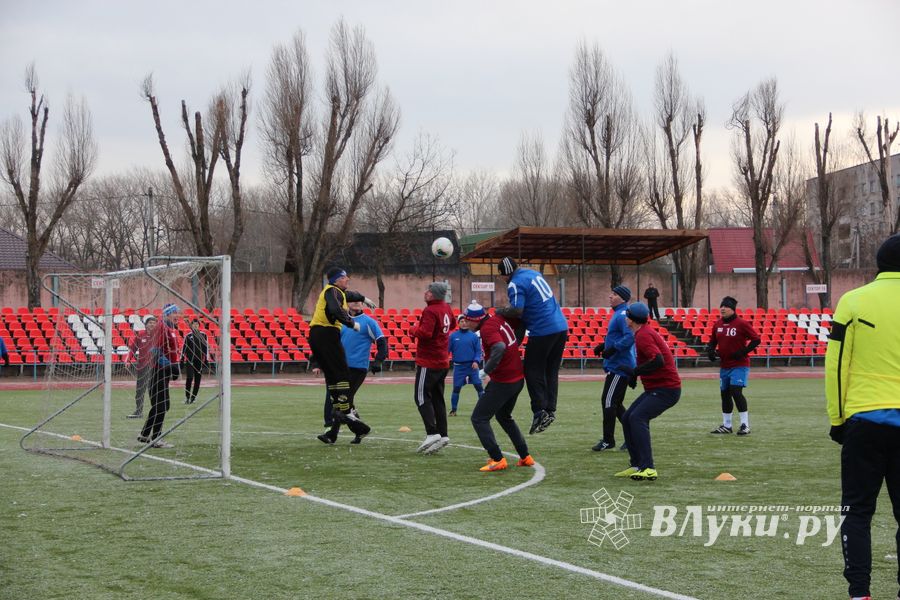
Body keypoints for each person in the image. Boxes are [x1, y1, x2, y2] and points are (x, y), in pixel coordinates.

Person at [826, 233, 900, 600]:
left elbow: (837, 366)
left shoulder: (853, 301)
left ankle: (860, 593)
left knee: (857, 513)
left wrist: (837, 419)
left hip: (865, 421)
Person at [497, 257, 569, 435]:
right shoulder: (532, 273)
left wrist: (500, 311)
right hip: (561, 327)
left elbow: (517, 310)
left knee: (532, 370)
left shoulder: (515, 283)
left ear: (504, 274)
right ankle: (550, 409)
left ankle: (539, 410)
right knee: (551, 371)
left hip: (543, 329)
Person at [462, 302, 535, 472]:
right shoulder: (498, 319)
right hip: (517, 377)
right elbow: (520, 323)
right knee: (504, 416)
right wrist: (514, 346)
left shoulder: (487, 328)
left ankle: (497, 458)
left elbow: (500, 346)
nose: (465, 323)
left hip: (504, 381)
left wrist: (485, 370)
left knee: (479, 418)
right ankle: (525, 456)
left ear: (475, 320)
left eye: (467, 320)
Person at [614, 302, 681, 481]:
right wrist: (635, 376)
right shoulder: (643, 333)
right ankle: (636, 464)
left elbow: (658, 360)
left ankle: (648, 467)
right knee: (628, 417)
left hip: (666, 389)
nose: (625, 318)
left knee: (637, 418)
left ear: (632, 319)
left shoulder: (643, 335)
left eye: (627, 315)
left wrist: (635, 372)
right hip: (657, 388)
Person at [310, 267, 376, 445]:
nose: (348, 279)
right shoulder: (333, 291)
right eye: (345, 277)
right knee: (342, 375)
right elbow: (335, 309)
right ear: (337, 279)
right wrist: (350, 322)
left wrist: (363, 298)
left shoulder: (336, 292)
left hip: (318, 335)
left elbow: (350, 295)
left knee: (333, 379)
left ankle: (339, 422)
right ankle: (346, 411)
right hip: (327, 333)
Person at [317, 300, 388, 444]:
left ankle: (334, 434)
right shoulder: (340, 321)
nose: (356, 304)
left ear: (363, 305)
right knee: (343, 403)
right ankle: (358, 430)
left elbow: (382, 342)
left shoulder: (369, 322)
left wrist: (378, 361)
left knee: (341, 402)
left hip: (357, 368)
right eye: (353, 301)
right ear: (347, 303)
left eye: (359, 302)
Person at [706, 296, 761, 435]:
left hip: (739, 365)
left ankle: (745, 425)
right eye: (721, 306)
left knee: (736, 391)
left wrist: (743, 352)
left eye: (726, 307)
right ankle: (727, 425)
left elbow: (756, 339)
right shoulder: (717, 324)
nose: (722, 309)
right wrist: (710, 351)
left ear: (732, 309)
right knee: (724, 394)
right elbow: (712, 341)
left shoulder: (741, 323)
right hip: (724, 366)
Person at [412, 281, 456, 454]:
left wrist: (413, 329)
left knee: (421, 397)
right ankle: (443, 434)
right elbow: (452, 325)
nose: (425, 293)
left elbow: (425, 333)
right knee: (438, 399)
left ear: (434, 294)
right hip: (442, 361)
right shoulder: (446, 307)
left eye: (428, 291)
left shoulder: (430, 310)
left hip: (428, 361)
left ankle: (432, 432)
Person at [592, 285, 636, 452]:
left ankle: (608, 440)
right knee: (615, 403)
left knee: (609, 401)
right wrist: (603, 345)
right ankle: (632, 436)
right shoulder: (619, 314)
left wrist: (613, 349)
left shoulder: (623, 314)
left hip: (619, 367)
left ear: (623, 299)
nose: (610, 296)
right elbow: (618, 336)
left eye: (615, 294)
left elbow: (630, 337)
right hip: (618, 365)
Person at [138, 304, 181, 448]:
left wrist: (173, 367)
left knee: (161, 405)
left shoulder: (169, 328)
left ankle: (145, 434)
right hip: (158, 372)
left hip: (164, 372)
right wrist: (169, 365)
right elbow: (154, 350)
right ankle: (156, 439)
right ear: (167, 314)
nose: (178, 315)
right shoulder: (162, 327)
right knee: (162, 406)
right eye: (175, 312)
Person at [448, 307, 484, 416]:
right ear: (458, 323)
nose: (464, 323)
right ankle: (454, 410)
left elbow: (478, 351)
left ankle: (483, 409)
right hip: (459, 367)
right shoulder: (453, 336)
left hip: (472, 366)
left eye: (465, 321)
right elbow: (446, 350)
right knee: (456, 388)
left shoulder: (473, 336)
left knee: (479, 386)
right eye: (461, 321)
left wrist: (476, 362)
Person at [126, 316, 157, 418]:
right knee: (140, 390)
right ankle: (139, 411)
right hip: (142, 367)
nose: (152, 324)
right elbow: (132, 349)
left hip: (155, 367)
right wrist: (128, 360)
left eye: (154, 323)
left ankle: (156, 411)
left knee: (153, 390)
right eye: (150, 322)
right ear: (146, 324)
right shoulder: (140, 335)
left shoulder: (158, 336)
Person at [180, 318, 209, 405]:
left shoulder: (203, 335)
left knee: (198, 379)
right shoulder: (188, 336)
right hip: (190, 360)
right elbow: (184, 348)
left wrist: (206, 359)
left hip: (199, 360)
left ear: (199, 326)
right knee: (189, 377)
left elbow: (205, 348)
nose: (195, 325)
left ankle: (193, 397)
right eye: (194, 324)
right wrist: (181, 359)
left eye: (197, 324)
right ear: (191, 326)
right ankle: (187, 397)